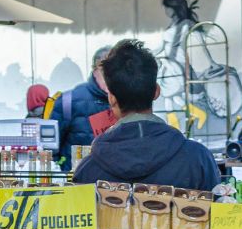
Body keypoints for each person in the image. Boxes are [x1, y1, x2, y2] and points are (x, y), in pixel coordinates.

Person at [70, 39, 220, 191]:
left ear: (112, 98)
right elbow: (218, 209)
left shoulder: (87, 169)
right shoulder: (198, 159)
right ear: (156, 92)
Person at [50, 48, 112, 165]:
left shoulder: (128, 100)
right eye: (106, 69)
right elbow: (51, 151)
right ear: (95, 68)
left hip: (115, 180)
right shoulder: (68, 101)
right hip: (77, 180)